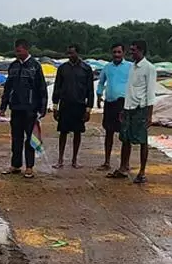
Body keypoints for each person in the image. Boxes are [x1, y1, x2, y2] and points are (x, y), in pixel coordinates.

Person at [108, 39, 156, 184]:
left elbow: (150, 93)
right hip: (128, 108)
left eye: (133, 50)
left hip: (140, 110)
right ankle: (123, 168)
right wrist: (124, 109)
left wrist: (149, 115)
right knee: (125, 139)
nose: (131, 52)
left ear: (141, 50)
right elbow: (129, 90)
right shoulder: (132, 67)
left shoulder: (149, 68)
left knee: (142, 141)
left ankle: (142, 172)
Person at [0, 38, 48, 178]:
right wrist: (3, 106)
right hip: (15, 108)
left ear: (26, 49)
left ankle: (29, 167)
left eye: (19, 51)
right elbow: (8, 87)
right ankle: (15, 165)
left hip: (30, 109)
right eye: (16, 50)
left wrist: (42, 108)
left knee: (30, 139)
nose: (17, 53)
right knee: (16, 138)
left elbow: (42, 88)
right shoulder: (13, 66)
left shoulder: (35, 66)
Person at [51, 44, 94, 169]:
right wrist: (55, 106)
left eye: (72, 53)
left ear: (78, 53)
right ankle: (60, 159)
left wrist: (88, 109)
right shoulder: (62, 68)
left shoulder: (86, 69)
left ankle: (74, 160)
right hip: (65, 105)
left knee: (77, 133)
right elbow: (57, 87)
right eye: (68, 53)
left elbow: (90, 90)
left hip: (79, 105)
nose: (70, 56)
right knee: (63, 132)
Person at [95, 43, 131, 171]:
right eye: (114, 52)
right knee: (108, 132)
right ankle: (107, 161)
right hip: (109, 103)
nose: (116, 55)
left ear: (123, 53)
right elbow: (101, 82)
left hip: (123, 104)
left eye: (119, 52)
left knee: (125, 134)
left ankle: (125, 163)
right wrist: (99, 96)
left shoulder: (130, 67)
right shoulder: (107, 67)